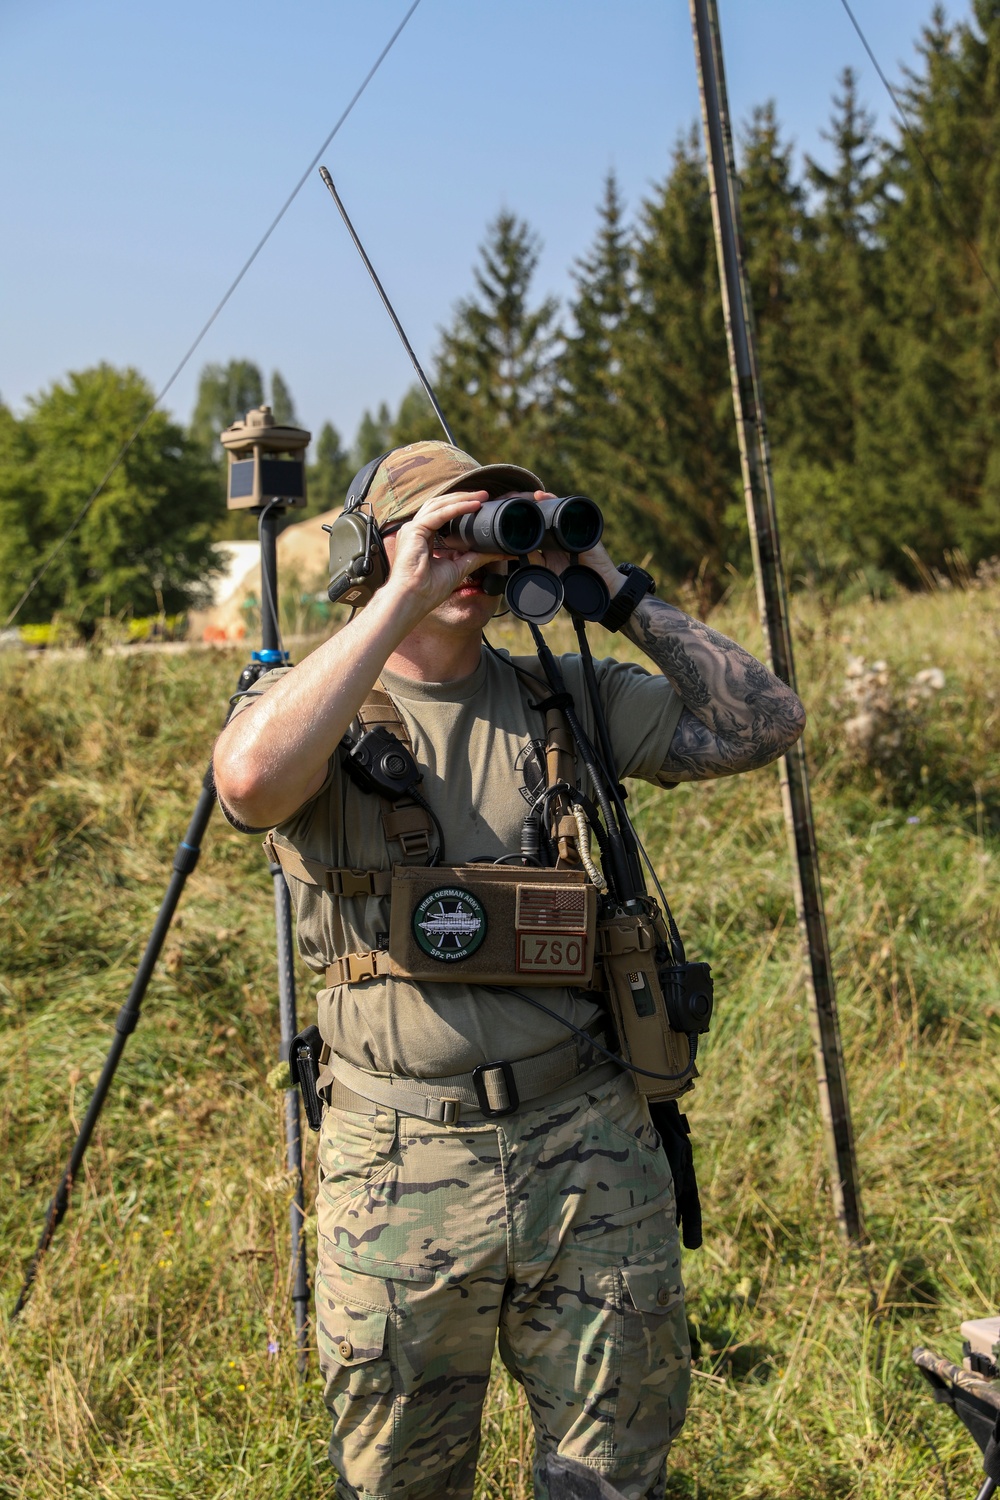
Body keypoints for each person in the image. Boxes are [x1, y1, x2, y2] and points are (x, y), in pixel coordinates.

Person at [213, 439, 806, 1500]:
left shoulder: (560, 696)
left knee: (612, 1480)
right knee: (398, 1482)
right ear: (372, 549)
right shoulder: (312, 707)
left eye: (489, 527)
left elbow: (763, 722)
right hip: (399, 1160)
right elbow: (251, 784)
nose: (471, 553)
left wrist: (615, 592)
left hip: (588, 1149)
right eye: (444, 527)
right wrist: (395, 601)